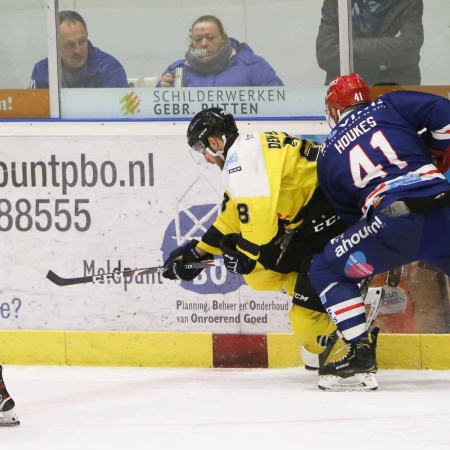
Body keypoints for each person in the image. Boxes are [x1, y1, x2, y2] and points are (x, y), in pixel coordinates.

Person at [161, 107, 370, 360]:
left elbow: (261, 228)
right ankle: (328, 292)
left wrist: (245, 255)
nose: (205, 159)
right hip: (313, 222)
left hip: (333, 223)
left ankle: (346, 300)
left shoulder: (242, 164)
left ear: (213, 142)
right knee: (258, 275)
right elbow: (234, 218)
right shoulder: (250, 147)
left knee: (306, 330)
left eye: (202, 151)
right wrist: (197, 252)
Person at [308, 73, 450, 391]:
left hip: (394, 220)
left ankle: (360, 352)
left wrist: (388, 246)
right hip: (443, 208)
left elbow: (352, 218)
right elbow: (446, 116)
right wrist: (439, 153)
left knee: (326, 268)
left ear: (333, 109)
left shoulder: (328, 152)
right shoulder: (391, 104)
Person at [316, 0, 424, 86]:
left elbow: (409, 49)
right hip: (346, 91)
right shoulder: (336, 2)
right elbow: (325, 55)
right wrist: (378, 65)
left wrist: (348, 46)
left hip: (396, 89)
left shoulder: (410, 2)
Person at [157, 15, 283, 88]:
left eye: (210, 38)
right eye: (198, 39)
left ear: (223, 37)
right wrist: (162, 93)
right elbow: (155, 113)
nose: (204, 44)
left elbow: (279, 103)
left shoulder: (252, 66)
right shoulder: (177, 71)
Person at [29, 10, 128, 88]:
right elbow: (33, 111)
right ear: (54, 45)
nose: (78, 50)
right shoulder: (42, 70)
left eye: (82, 41)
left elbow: (119, 112)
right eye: (69, 45)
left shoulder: (110, 69)